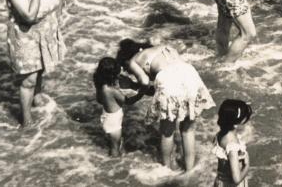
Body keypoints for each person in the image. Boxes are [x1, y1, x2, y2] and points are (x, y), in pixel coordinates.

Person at [116, 38, 215, 171]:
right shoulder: (162, 48)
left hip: (168, 80)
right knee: (188, 129)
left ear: (126, 59)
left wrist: (135, 91)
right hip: (190, 75)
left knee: (167, 131)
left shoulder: (133, 60)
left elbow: (145, 82)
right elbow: (161, 86)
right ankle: (190, 170)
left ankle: (166, 169)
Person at [5, 0, 65, 126]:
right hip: (26, 34)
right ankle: (26, 120)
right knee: (28, 79)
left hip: (43, 30)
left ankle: (37, 98)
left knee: (40, 68)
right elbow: (29, 16)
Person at [93, 57, 147, 157]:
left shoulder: (99, 82)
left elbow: (99, 100)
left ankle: (113, 158)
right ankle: (114, 164)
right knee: (115, 147)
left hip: (107, 116)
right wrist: (141, 93)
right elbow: (128, 101)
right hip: (113, 121)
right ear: (112, 75)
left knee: (113, 142)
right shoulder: (111, 90)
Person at [213, 99, 252, 187]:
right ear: (237, 122)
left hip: (220, 181)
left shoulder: (220, 134)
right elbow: (236, 179)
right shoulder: (232, 146)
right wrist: (247, 165)